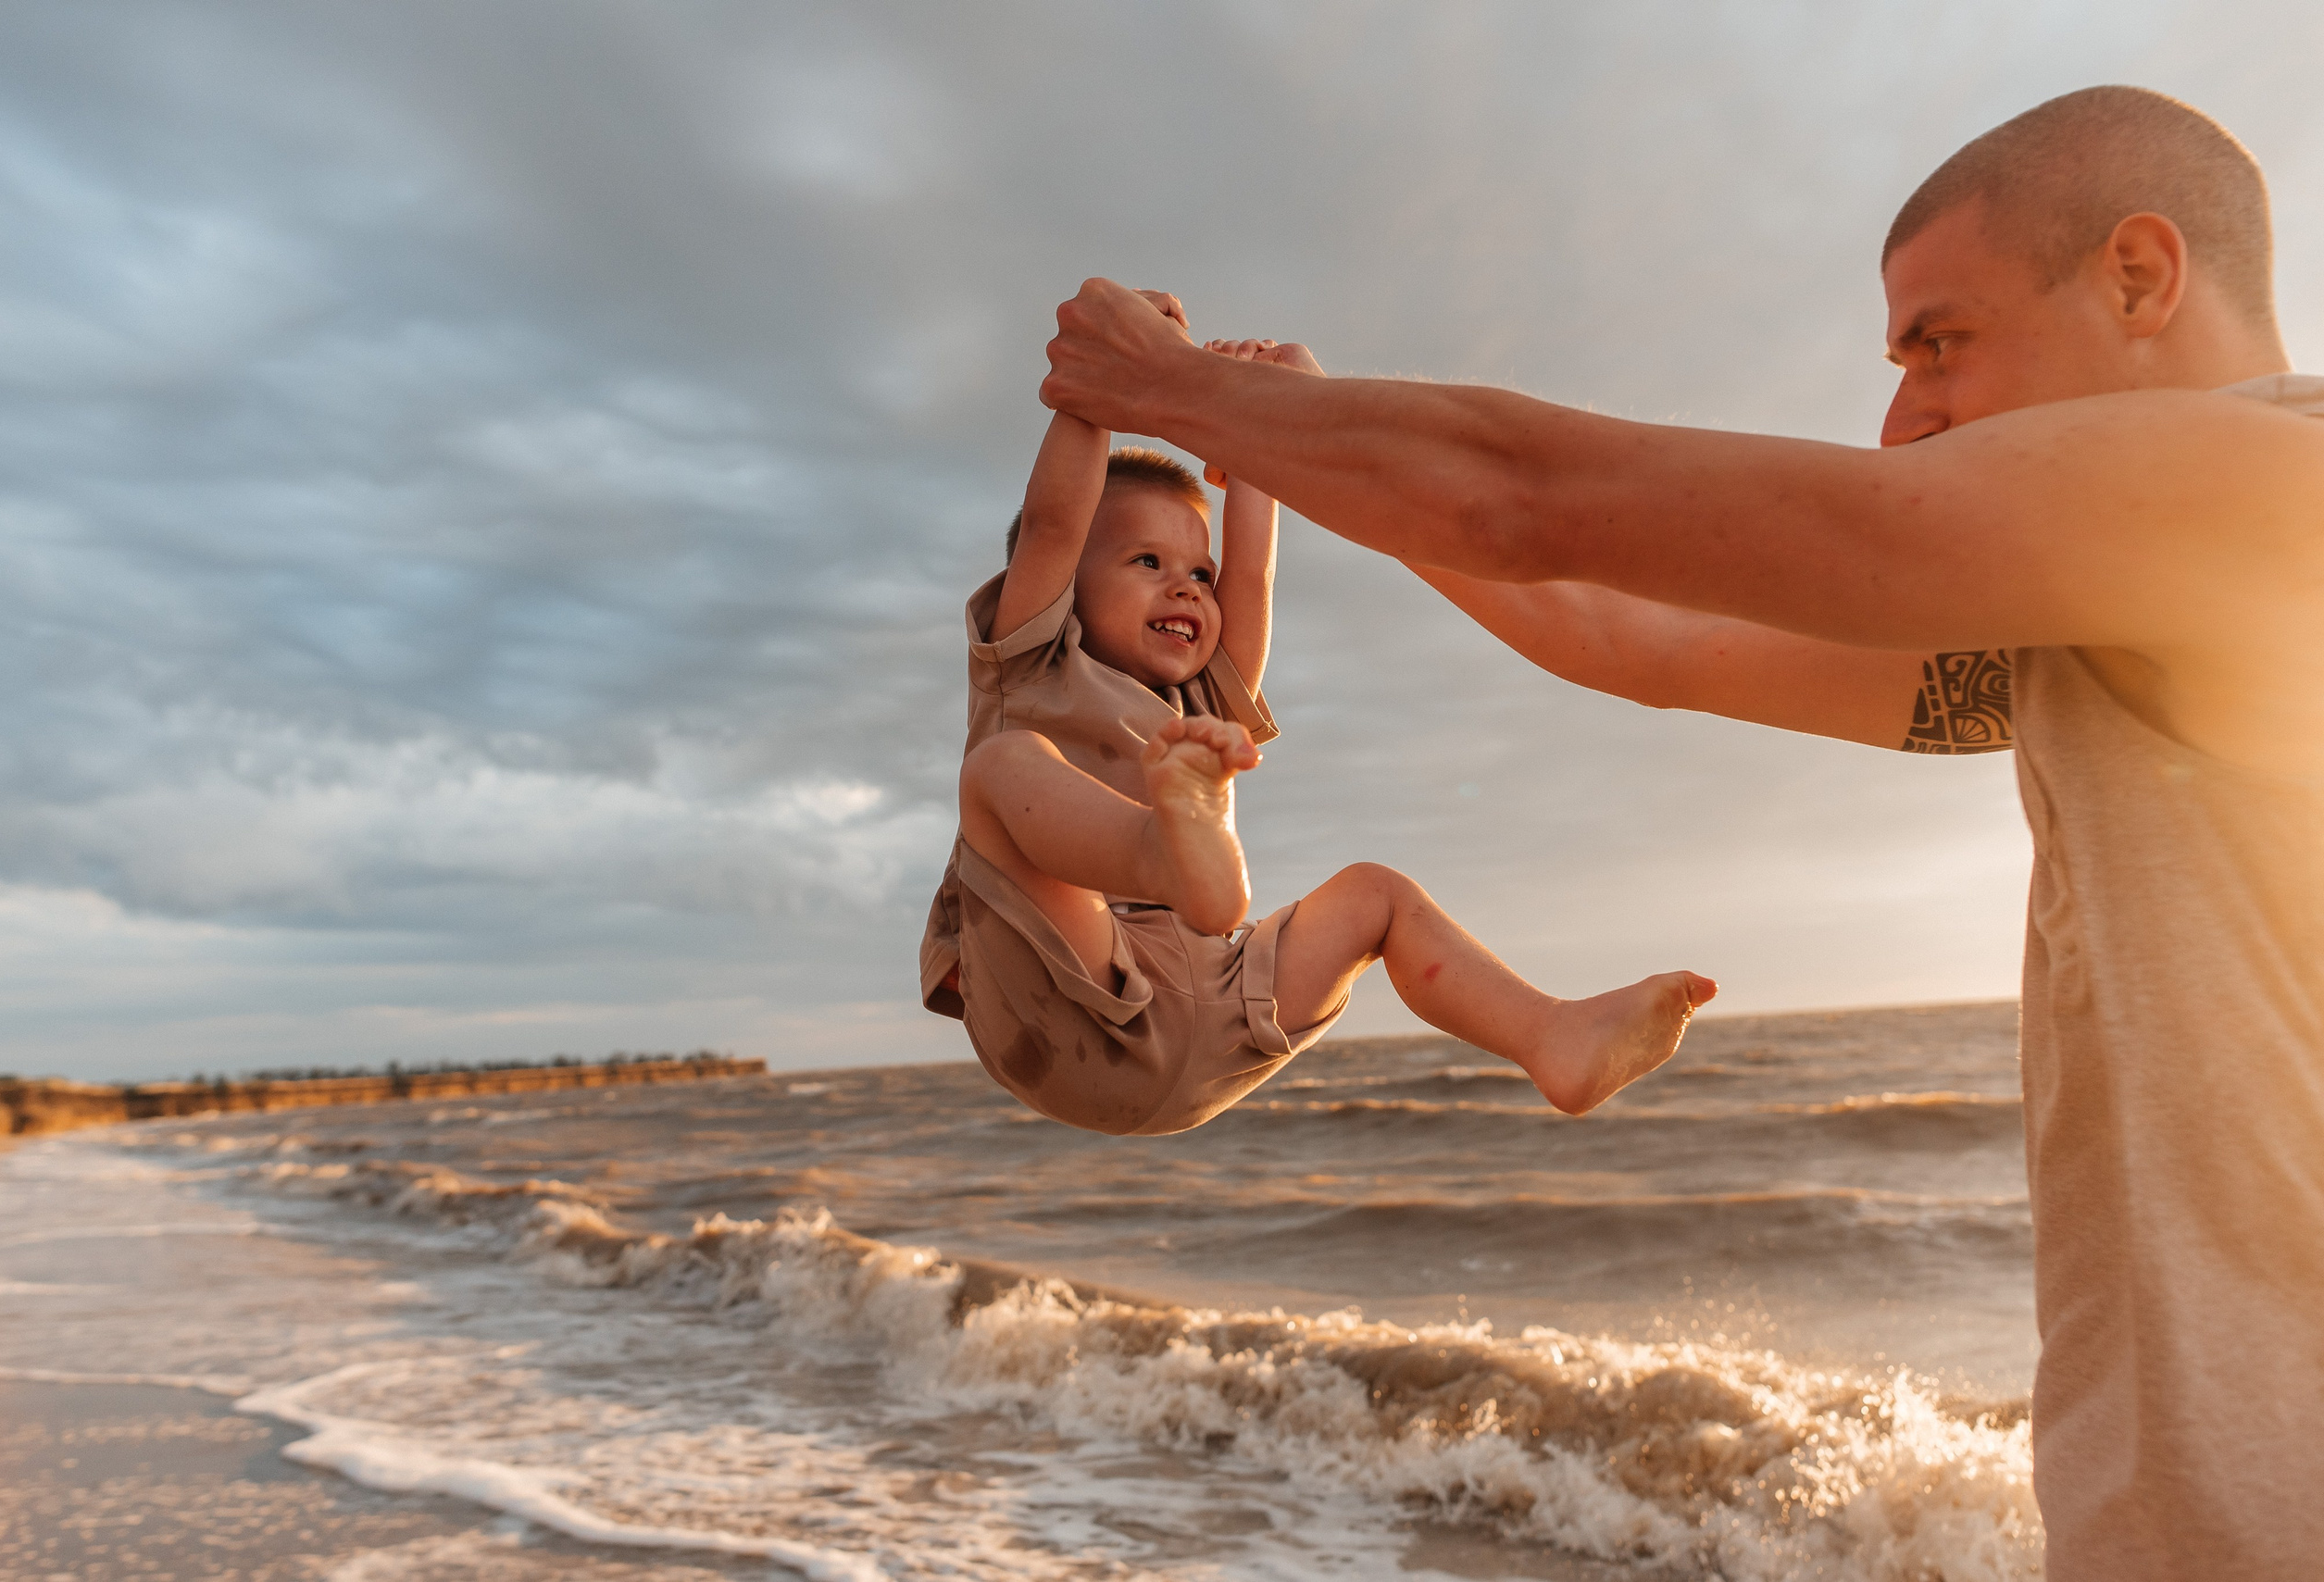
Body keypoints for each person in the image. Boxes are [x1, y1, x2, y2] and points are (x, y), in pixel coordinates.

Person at [1038, 85, 2323, 1581]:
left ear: (2141, 277)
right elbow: (1634, 630)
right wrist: (1316, 433)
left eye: (1941, 342)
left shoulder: (2275, 493)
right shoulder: (2081, 633)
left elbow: (1540, 500)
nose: (1903, 418)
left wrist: (1177, 389)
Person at [918, 338, 1715, 1138]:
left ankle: (1550, 1036)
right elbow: (1057, 520)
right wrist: (1100, 383)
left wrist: (1254, 408)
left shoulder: (1202, 701)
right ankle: (1164, 850)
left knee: (1377, 894)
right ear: (1060, 586)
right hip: (1066, 1006)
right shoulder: (1029, 666)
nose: (1185, 588)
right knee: (1001, 767)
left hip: (1217, 1012)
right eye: (1147, 560)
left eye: (1199, 574)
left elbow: (1254, 572)